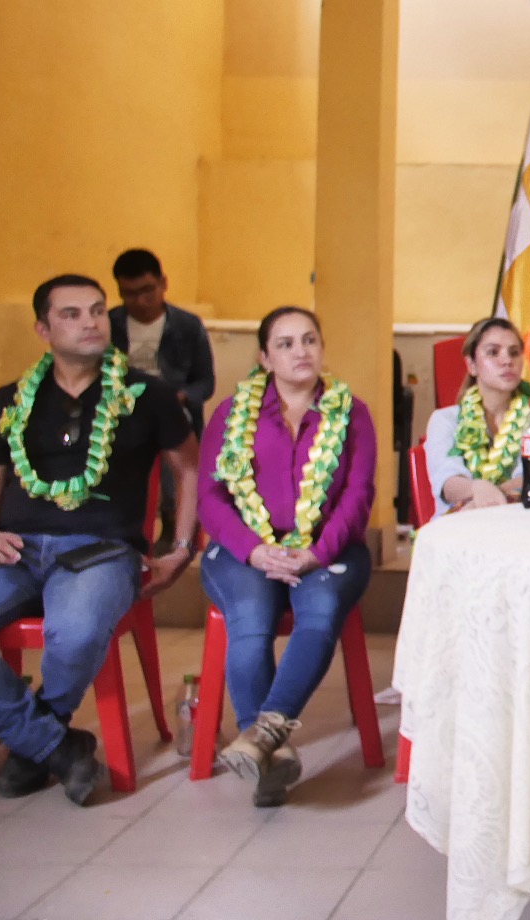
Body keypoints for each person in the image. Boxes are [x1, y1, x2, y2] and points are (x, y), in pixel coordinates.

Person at [0, 274, 199, 805]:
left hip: (100, 552)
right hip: (14, 549)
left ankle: (34, 745)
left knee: (73, 634)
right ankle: (52, 744)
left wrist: (181, 549)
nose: (90, 321)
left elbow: (190, 468)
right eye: (71, 314)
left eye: (97, 310)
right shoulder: (9, 400)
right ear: (42, 328)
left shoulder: (148, 395)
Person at [199, 307, 376, 807]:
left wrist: (315, 554)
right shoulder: (232, 413)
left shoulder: (352, 411)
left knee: (318, 613)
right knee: (251, 616)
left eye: (309, 340)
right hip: (243, 549)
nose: (300, 352)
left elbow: (359, 494)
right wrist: (254, 551)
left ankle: (260, 738)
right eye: (285, 343)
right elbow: (211, 498)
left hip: (328, 550)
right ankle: (269, 758)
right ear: (264, 357)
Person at [422, 318, 530, 514]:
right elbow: (448, 483)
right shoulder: (445, 419)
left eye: (514, 353)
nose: (507, 361)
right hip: (459, 525)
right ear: (471, 365)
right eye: (493, 352)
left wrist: (485, 499)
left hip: (520, 524)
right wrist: (477, 489)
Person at [109, 248, 217, 435]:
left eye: (148, 290)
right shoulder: (108, 324)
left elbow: (206, 382)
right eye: (130, 294)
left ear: (164, 283)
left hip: (174, 414)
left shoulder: (187, 325)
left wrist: (178, 398)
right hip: (119, 418)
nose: (141, 301)